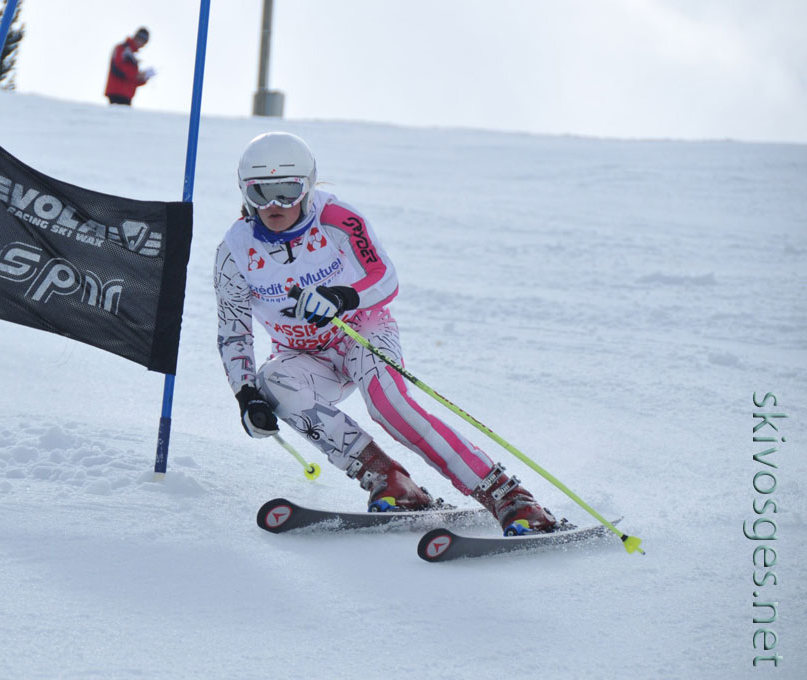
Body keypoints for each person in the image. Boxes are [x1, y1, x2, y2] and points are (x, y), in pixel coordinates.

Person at [214, 132, 561, 534]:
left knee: (389, 405)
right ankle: (390, 480)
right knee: (272, 383)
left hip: (361, 332)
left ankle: (509, 497)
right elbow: (233, 331)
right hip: (303, 355)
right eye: (260, 193)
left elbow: (385, 277)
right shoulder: (234, 251)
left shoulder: (337, 218)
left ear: (307, 187)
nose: (274, 205)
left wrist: (343, 296)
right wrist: (246, 395)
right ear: (244, 191)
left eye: (287, 191)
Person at [105, 27, 154, 106]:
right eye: (142, 41)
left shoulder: (132, 55)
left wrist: (143, 78)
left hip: (126, 95)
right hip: (117, 93)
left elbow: (132, 80)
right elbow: (117, 68)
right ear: (137, 38)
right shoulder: (122, 49)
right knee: (117, 112)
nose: (142, 45)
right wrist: (136, 75)